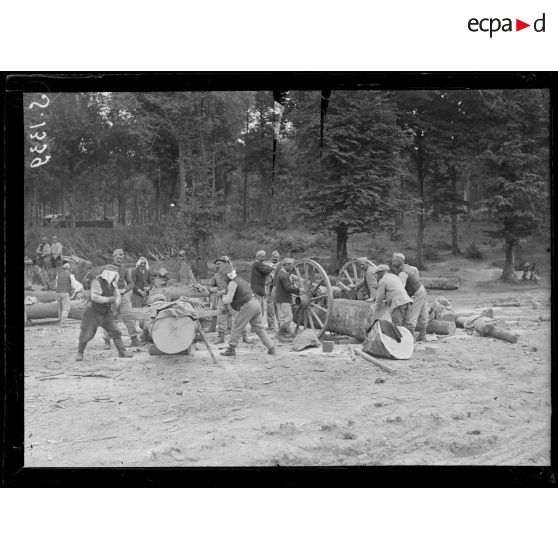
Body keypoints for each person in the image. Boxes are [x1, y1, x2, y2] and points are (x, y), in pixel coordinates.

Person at [76, 265, 132, 361]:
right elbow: (94, 297)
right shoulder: (96, 282)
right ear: (109, 274)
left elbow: (117, 295)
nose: (116, 276)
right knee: (87, 333)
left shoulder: (112, 283)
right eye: (114, 274)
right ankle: (80, 353)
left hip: (106, 313)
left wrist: (116, 302)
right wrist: (109, 299)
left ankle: (122, 352)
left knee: (116, 331)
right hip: (93, 312)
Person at [219, 263, 276, 357]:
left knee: (237, 326)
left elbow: (228, 300)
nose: (223, 278)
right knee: (259, 328)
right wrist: (222, 292)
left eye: (224, 276)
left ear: (228, 275)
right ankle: (271, 347)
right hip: (255, 303)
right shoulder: (240, 280)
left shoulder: (232, 283)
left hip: (247, 305)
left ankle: (231, 349)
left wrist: (222, 297)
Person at [209, 256, 251, 346]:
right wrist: (212, 289)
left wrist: (222, 292)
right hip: (222, 299)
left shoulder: (231, 273)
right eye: (216, 265)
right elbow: (210, 286)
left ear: (225, 264)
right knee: (221, 318)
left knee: (239, 317)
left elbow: (235, 284)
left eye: (219, 264)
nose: (217, 266)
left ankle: (244, 336)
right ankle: (221, 337)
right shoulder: (216, 276)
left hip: (233, 299)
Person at [104, 249, 141, 349]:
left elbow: (131, 283)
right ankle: (107, 341)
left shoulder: (124, 269)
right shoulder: (107, 268)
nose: (119, 260)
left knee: (129, 316)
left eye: (121, 258)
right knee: (109, 318)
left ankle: (134, 339)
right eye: (118, 258)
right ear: (113, 257)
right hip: (111, 295)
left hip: (123, 294)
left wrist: (124, 289)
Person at [390, 252, 428, 341]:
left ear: (400, 262)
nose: (394, 261)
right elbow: (416, 270)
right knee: (423, 313)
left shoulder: (402, 273)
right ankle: (422, 335)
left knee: (411, 315)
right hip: (421, 289)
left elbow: (400, 289)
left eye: (396, 260)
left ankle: (410, 340)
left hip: (416, 294)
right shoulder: (409, 267)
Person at [372, 264, 413, 333]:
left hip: (398, 303)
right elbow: (396, 290)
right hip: (407, 300)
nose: (377, 275)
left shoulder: (383, 280)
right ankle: (410, 341)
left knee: (396, 325)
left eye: (378, 273)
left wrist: (375, 310)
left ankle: (397, 342)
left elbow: (379, 297)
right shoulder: (394, 277)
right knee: (407, 325)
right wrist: (387, 300)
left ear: (381, 272)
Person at [274, 257, 301, 341]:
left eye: (291, 265)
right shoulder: (283, 275)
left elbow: (288, 287)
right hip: (283, 299)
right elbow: (288, 288)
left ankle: (284, 334)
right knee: (288, 318)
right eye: (289, 265)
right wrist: (299, 290)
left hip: (282, 299)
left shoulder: (283, 274)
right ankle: (280, 334)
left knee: (284, 318)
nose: (291, 267)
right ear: (285, 265)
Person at [250, 250, 272, 327]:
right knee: (258, 309)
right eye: (262, 256)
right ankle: (256, 326)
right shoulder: (257, 264)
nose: (263, 258)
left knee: (258, 308)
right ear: (258, 256)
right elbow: (266, 271)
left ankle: (256, 325)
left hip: (258, 289)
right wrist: (271, 267)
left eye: (264, 256)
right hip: (257, 290)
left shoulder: (258, 264)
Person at [265, 250, 281, 331]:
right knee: (270, 307)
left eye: (277, 257)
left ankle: (280, 324)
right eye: (274, 257)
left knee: (278, 307)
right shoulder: (268, 265)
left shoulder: (281, 266)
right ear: (271, 257)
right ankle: (271, 325)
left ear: (279, 258)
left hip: (278, 289)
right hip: (270, 288)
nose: (275, 258)